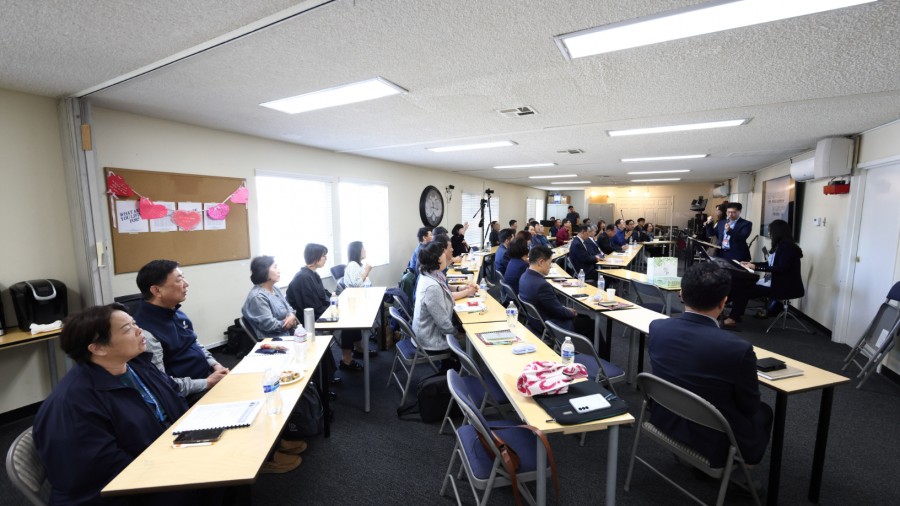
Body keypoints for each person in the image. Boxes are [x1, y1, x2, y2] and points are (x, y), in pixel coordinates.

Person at [33, 303, 193, 505]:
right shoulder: (73, 404)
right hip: (119, 493)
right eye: (127, 329)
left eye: (134, 323)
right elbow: (105, 470)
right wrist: (175, 466)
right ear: (98, 348)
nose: (139, 330)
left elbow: (174, 398)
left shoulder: (136, 364)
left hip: (161, 460)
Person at [648, 262, 773, 469]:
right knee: (764, 412)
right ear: (724, 302)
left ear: (681, 294)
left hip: (664, 419)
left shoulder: (657, 327)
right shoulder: (738, 349)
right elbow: (749, 406)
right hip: (713, 440)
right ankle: (742, 467)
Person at [133, 260, 228, 400]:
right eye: (179, 280)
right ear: (156, 290)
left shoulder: (175, 312)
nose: (186, 284)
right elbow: (162, 383)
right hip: (188, 395)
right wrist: (207, 383)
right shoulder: (145, 332)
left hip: (207, 377)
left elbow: (194, 343)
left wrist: (215, 365)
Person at [287, 244, 366, 372]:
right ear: (315, 258)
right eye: (323, 256)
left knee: (350, 313)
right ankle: (347, 360)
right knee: (347, 321)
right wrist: (335, 309)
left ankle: (357, 349)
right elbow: (312, 307)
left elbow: (324, 294)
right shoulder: (304, 277)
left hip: (319, 311)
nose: (326, 258)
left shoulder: (312, 274)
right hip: (311, 319)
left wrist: (336, 300)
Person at [723, 219, 804, 328]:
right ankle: (733, 315)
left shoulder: (788, 248)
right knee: (739, 284)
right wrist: (751, 264)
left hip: (784, 286)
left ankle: (733, 318)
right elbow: (770, 263)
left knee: (743, 290)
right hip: (773, 281)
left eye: (770, 231)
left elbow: (781, 268)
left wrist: (756, 267)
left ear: (777, 232)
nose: (769, 233)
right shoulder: (780, 246)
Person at [518, 246, 594, 336]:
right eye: (549, 262)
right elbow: (558, 312)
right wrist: (569, 312)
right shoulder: (542, 286)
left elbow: (552, 306)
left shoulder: (524, 276)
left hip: (536, 322)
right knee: (590, 323)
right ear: (541, 262)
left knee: (584, 318)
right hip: (552, 324)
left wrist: (564, 309)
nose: (550, 266)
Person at [413, 241, 457, 352]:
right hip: (432, 341)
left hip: (426, 334)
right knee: (471, 341)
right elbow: (443, 323)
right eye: (443, 253)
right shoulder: (432, 287)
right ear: (437, 259)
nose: (445, 254)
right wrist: (457, 334)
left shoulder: (430, 274)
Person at [242, 255, 298, 340]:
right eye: (275, 267)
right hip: (273, 340)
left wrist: (292, 316)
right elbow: (270, 326)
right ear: (264, 271)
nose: (279, 271)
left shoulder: (275, 289)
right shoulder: (258, 297)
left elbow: (289, 308)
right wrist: (290, 322)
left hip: (288, 334)